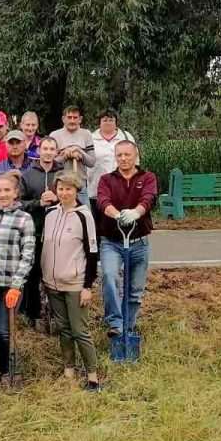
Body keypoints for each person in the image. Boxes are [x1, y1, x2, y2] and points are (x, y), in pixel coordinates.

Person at [41, 172, 101, 391]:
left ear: (76, 190)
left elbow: (92, 252)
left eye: (69, 189)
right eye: (61, 189)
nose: (64, 193)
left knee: (79, 330)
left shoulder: (84, 216)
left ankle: (92, 376)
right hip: (52, 283)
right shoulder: (50, 213)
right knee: (64, 329)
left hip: (75, 284)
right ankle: (68, 370)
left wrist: (87, 286)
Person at [96, 140, 158, 338]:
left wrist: (136, 213)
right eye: (119, 155)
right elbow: (102, 201)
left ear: (135, 154)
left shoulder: (147, 177)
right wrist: (117, 215)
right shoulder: (106, 179)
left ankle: (128, 328)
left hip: (139, 242)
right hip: (111, 242)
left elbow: (148, 198)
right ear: (115, 157)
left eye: (127, 155)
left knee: (135, 289)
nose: (123, 159)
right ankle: (115, 323)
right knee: (110, 277)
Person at [0, 171, 36, 378]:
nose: (2, 194)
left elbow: (28, 254)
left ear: (16, 193)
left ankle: (11, 370)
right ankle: (4, 368)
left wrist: (16, 284)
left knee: (5, 330)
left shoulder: (24, 219)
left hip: (10, 285)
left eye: (7, 190)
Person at [19, 136, 65, 324]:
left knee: (55, 274)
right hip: (35, 231)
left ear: (56, 152)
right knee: (33, 274)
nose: (48, 152)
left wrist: (57, 198)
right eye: (44, 148)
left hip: (58, 232)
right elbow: (19, 203)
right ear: (39, 150)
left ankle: (56, 314)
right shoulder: (28, 174)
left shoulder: (62, 174)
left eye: (51, 149)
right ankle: (33, 314)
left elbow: (73, 199)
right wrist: (39, 203)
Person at [87, 110, 136, 217]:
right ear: (99, 122)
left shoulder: (126, 136)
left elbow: (135, 159)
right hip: (96, 188)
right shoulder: (90, 138)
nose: (108, 122)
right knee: (98, 224)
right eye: (104, 120)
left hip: (122, 189)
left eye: (111, 120)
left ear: (116, 122)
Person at [49, 104, 96, 203]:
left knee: (85, 216)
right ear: (63, 119)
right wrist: (66, 155)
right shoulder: (55, 135)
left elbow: (91, 162)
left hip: (80, 187)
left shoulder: (86, 134)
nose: (72, 121)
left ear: (80, 119)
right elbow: (51, 163)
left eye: (75, 118)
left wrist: (79, 151)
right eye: (69, 117)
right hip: (61, 188)